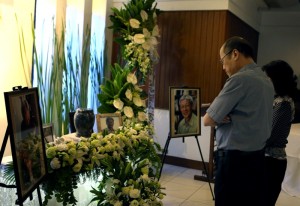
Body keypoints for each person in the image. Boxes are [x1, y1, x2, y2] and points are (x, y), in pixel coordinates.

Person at [203, 36, 274, 206]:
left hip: (234, 162)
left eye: (222, 60)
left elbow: (208, 119)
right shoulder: (266, 80)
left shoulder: (239, 79)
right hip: (256, 157)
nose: (223, 67)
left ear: (235, 54)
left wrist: (220, 116)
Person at [262, 60, 297, 206]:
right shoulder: (275, 99)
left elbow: (270, 135)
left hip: (271, 162)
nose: (265, 81)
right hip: (266, 160)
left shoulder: (283, 104)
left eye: (268, 78)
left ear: (277, 79)